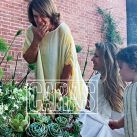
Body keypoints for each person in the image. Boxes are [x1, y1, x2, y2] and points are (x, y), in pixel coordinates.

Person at [23, 0, 88, 110]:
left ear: (50, 14)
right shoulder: (31, 31)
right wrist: (37, 41)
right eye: (35, 16)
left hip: (65, 87)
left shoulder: (62, 30)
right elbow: (29, 59)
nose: (38, 20)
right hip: (44, 88)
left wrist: (59, 97)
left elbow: (69, 65)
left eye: (42, 15)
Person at [89, 42, 125, 123]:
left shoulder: (125, 83)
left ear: (107, 60)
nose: (92, 59)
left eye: (96, 56)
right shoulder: (93, 81)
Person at [109, 45, 137, 137]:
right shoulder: (128, 89)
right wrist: (117, 123)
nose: (119, 71)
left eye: (120, 67)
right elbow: (130, 114)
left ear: (133, 66)